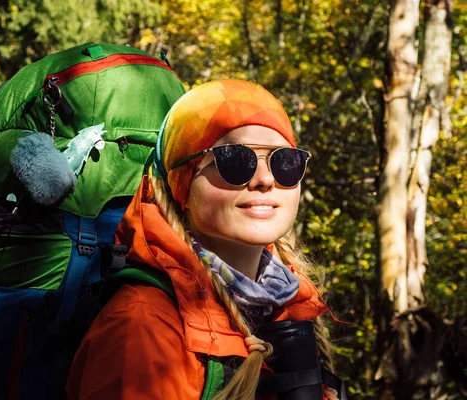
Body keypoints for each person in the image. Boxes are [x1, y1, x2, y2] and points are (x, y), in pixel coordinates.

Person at [66, 79, 338, 400]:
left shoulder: (290, 307)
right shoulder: (142, 327)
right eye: (236, 160)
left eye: (284, 162)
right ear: (182, 184)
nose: (266, 179)